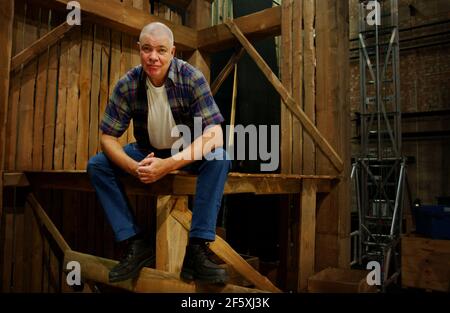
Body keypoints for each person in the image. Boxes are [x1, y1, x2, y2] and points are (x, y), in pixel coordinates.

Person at [87, 22, 231, 284]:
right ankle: (134, 242)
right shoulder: (128, 84)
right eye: (147, 49)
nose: (154, 57)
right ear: (139, 50)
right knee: (97, 165)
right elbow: (107, 137)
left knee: (220, 156)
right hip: (146, 150)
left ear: (172, 52)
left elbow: (215, 134)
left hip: (184, 149)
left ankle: (197, 249)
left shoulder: (192, 77)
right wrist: (134, 168)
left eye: (161, 50)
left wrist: (168, 165)